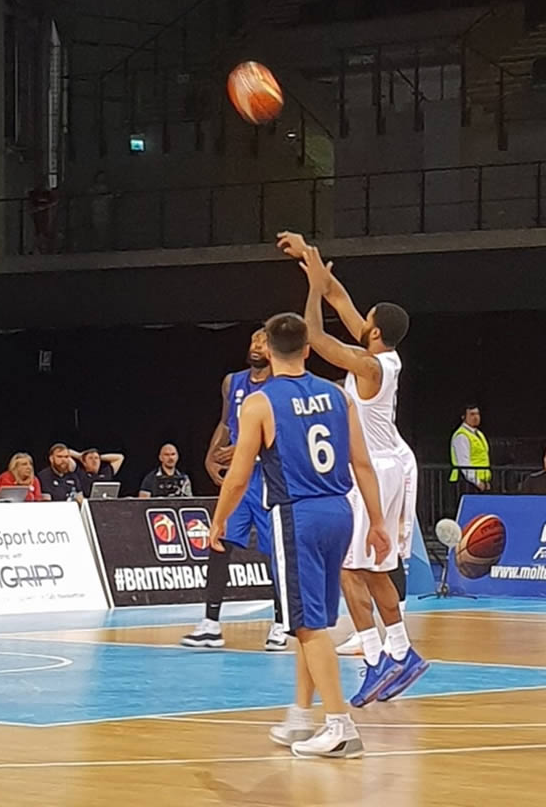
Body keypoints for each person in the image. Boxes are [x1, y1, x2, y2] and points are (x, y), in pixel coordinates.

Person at [211, 312, 390, 759]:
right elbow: (362, 463)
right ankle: (300, 715)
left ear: (268, 350)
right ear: (308, 349)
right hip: (340, 512)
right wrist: (380, 521)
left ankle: (340, 726)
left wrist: (219, 520)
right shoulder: (336, 394)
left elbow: (237, 476)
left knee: (307, 626)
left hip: (297, 515)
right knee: (313, 621)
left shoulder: (261, 402)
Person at [281, 234, 428, 706]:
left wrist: (308, 294)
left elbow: (316, 339)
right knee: (375, 570)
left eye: (366, 320)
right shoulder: (384, 355)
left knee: (348, 569)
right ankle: (402, 652)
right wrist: (312, 262)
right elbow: (340, 299)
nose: (359, 318)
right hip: (389, 463)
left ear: (375, 331)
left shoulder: (369, 366)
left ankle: (373, 658)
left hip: (378, 468)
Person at [182, 329, 287, 652]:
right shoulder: (233, 382)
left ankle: (282, 623)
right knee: (219, 541)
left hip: (271, 477)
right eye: (253, 340)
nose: (255, 345)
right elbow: (227, 423)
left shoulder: (283, 387)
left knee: (278, 554)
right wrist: (212, 456)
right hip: (240, 477)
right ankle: (211, 624)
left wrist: (245, 449)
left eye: (263, 341)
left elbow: (282, 433)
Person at [450, 405, 491, 492]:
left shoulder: (479, 434)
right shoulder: (461, 436)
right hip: (467, 483)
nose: (476, 417)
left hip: (481, 481)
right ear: (463, 417)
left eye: (477, 414)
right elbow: (464, 462)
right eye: (472, 414)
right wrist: (477, 482)